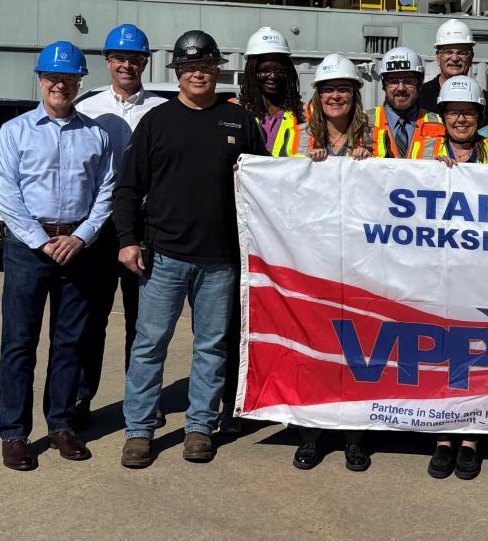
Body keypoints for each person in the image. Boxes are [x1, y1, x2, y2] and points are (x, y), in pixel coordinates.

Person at [116, 30, 267, 469]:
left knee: (212, 347)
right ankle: (140, 431)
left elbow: (266, 184)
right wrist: (127, 240)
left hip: (220, 259)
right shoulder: (157, 122)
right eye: (189, 67)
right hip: (164, 256)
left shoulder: (239, 121)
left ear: (217, 70)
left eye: (205, 66)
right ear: (178, 73)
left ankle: (201, 426)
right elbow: (128, 188)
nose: (197, 73)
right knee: (149, 345)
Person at [0, 41, 115, 471]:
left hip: (78, 251)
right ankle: (14, 433)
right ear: (40, 80)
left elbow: (106, 192)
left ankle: (61, 424)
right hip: (30, 249)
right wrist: (40, 241)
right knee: (19, 343)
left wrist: (80, 237)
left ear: (79, 81)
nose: (59, 85)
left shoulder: (95, 134)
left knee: (69, 343)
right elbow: (5, 193)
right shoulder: (16, 131)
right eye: (52, 78)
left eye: (68, 78)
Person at [412, 75, 488, 481]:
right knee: (441, 349)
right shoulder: (422, 152)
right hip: (437, 272)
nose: (460, 119)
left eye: (468, 112)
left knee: (479, 349)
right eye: (453, 112)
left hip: (485, 272)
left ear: (479, 116)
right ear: (443, 115)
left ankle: (471, 436)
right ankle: (441, 435)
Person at [71, 23, 166, 430]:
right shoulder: (88, 108)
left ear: (145, 61)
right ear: (107, 62)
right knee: (91, 319)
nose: (127, 65)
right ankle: (79, 398)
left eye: (135, 58)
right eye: (120, 58)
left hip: (144, 227)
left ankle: (140, 400)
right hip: (98, 226)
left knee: (142, 322)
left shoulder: (161, 110)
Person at [290, 54, 373, 472]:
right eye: (328, 89)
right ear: (317, 95)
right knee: (315, 348)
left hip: (361, 262)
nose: (335, 96)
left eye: (343, 89)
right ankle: (311, 436)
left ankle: (355, 438)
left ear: (355, 95)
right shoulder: (298, 136)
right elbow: (277, 186)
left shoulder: (376, 138)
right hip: (311, 260)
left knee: (358, 349)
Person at [415, 18, 488, 127]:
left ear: (471, 57)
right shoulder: (419, 98)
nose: (454, 58)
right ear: (438, 57)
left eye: (461, 52)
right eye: (448, 52)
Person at [366, 46, 445, 158]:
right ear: (384, 85)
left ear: (420, 83)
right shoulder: (363, 122)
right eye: (393, 81)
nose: (401, 88)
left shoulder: (440, 123)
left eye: (408, 81)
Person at [239, 26, 306, 157]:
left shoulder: (304, 114)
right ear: (252, 72)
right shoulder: (235, 111)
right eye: (265, 70)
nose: (273, 76)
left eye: (280, 70)